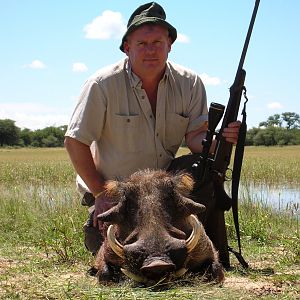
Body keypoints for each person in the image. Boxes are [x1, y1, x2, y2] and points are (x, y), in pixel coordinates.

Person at [64, 2, 241, 255]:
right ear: (127, 48)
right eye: (142, 44)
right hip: (116, 190)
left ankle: (201, 244)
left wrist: (220, 140)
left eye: (157, 42)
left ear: (170, 45)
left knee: (201, 166)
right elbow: (75, 141)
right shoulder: (101, 84)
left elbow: (195, 138)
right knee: (115, 254)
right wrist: (100, 193)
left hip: (162, 186)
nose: (151, 51)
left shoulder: (190, 83)